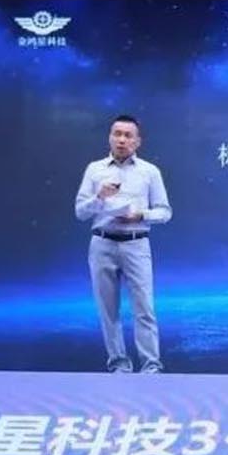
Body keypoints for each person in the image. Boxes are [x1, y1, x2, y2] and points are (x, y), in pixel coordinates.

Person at [74, 115, 173, 374]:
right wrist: (99, 197)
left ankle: (151, 367)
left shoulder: (149, 171)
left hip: (136, 244)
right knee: (108, 310)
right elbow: (80, 212)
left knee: (144, 308)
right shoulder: (94, 170)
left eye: (128, 135)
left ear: (137, 141)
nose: (121, 139)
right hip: (102, 243)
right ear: (109, 137)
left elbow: (165, 211)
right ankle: (119, 366)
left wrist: (140, 215)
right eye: (117, 134)